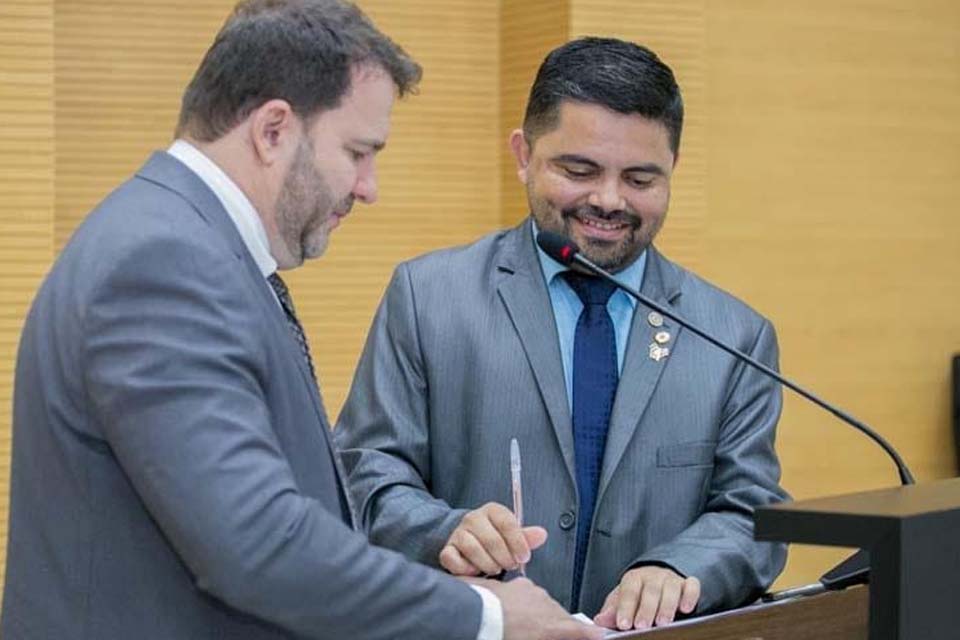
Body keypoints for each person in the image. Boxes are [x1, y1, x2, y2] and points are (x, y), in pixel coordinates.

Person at [0, 2, 603, 639]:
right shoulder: (163, 262)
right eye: (358, 151)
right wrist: (491, 616)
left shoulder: (188, 244)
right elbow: (258, 545)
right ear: (273, 131)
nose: (369, 186)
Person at [336, 36, 789, 633]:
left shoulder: (734, 337)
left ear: (672, 169)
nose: (608, 200)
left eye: (640, 179)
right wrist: (445, 530)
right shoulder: (428, 298)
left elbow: (751, 512)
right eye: (578, 171)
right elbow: (363, 477)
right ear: (524, 154)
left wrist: (678, 567)